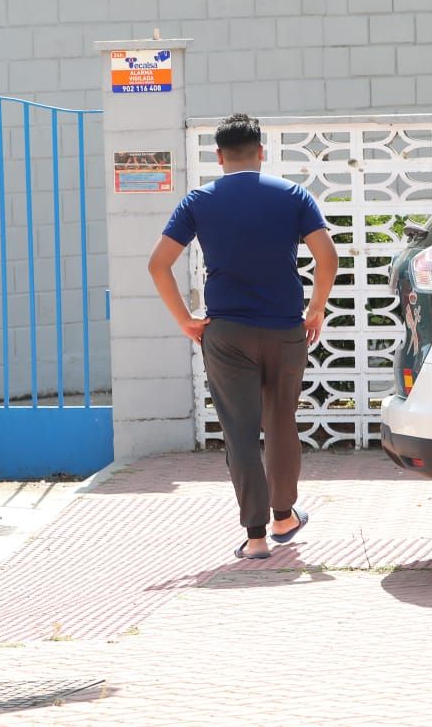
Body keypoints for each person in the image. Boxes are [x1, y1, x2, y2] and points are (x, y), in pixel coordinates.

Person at [147, 113, 337, 561]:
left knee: (240, 431)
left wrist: (185, 320)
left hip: (226, 331)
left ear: (218, 156)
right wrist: (316, 308)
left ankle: (255, 538)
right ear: (261, 152)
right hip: (286, 328)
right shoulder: (293, 195)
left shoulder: (198, 200)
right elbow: (326, 257)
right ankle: (284, 516)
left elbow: (158, 264)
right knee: (281, 422)